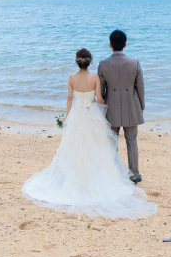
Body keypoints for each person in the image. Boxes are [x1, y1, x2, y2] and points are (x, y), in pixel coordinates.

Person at [22, 48, 156, 219]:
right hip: (91, 114)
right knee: (97, 146)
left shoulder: (71, 77)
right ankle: (109, 175)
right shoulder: (94, 78)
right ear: (90, 61)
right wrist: (100, 106)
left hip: (77, 115)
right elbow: (100, 99)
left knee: (75, 146)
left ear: (77, 61)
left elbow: (70, 98)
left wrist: (66, 116)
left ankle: (75, 179)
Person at [97, 30, 144, 183]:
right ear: (125, 44)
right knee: (132, 141)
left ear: (110, 45)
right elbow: (140, 87)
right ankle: (134, 174)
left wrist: (101, 109)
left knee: (112, 142)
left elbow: (101, 90)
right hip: (131, 106)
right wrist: (141, 105)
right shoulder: (134, 62)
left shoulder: (103, 64)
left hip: (111, 108)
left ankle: (114, 174)